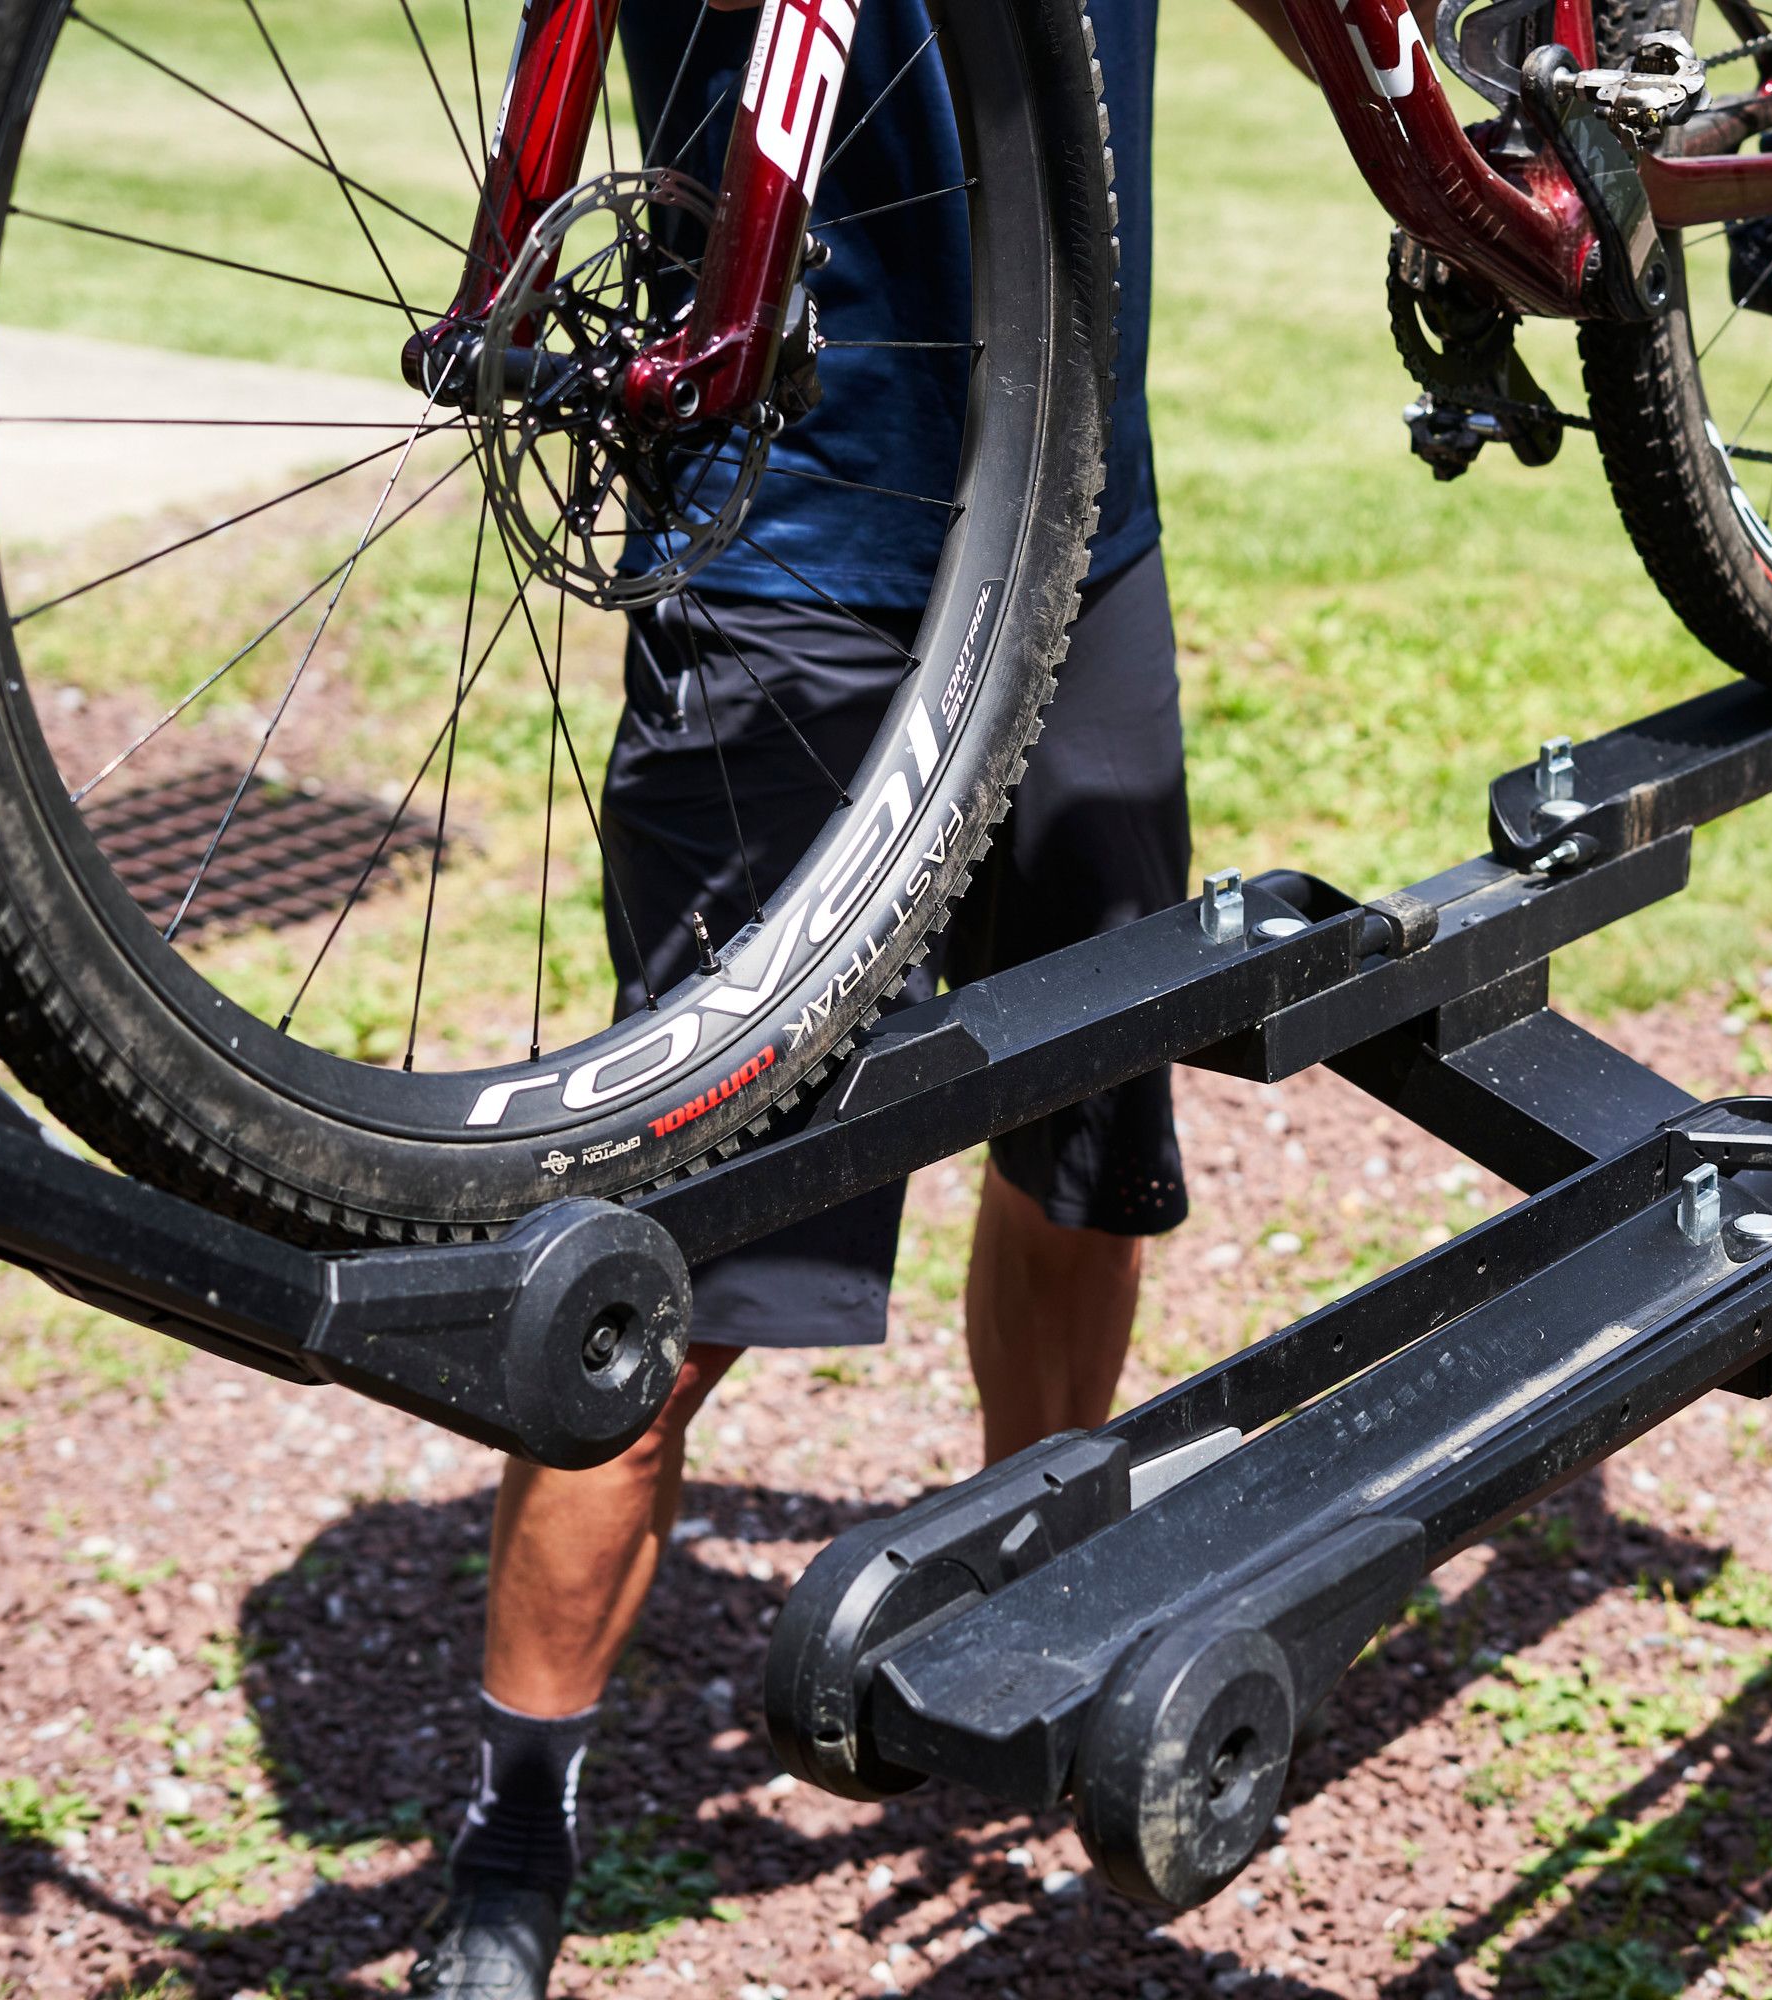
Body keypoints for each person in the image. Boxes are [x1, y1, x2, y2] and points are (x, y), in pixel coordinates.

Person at [407, 0, 1175, 1989]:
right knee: (665, 1271)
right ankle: (513, 1839)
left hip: (1085, 537)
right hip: (788, 564)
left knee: (1082, 1150)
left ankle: (1030, 1597)